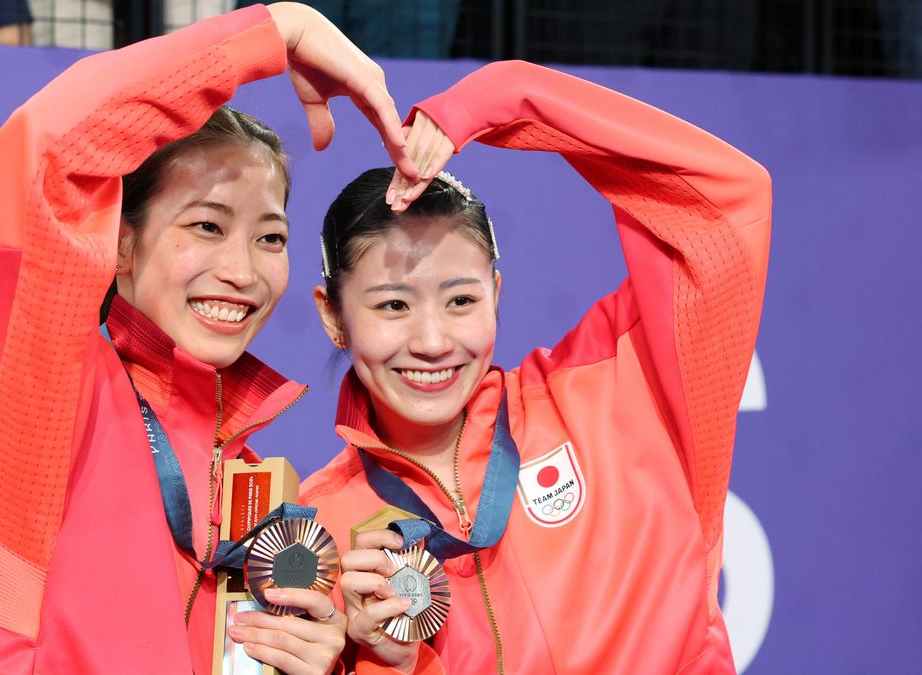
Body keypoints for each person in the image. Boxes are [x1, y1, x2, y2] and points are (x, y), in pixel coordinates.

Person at [0, 4, 418, 673]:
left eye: (270, 237)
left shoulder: (251, 481)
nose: (241, 271)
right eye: (207, 226)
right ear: (121, 245)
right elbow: (44, 158)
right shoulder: (45, 389)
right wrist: (277, 30)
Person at [302, 59, 771, 674]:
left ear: (496, 292)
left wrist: (507, 96)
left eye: (461, 300)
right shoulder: (316, 535)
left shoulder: (625, 381)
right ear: (332, 315)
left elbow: (724, 204)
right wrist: (392, 664)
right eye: (393, 304)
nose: (433, 340)